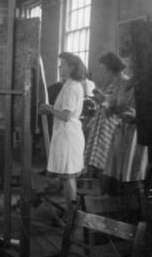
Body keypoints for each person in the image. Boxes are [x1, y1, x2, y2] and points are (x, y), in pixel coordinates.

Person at [39, 52, 87, 212]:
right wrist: (51, 109)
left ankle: (71, 215)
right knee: (67, 176)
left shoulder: (72, 87)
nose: (60, 67)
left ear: (72, 67)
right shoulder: (69, 84)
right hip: (67, 134)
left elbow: (66, 115)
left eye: (63, 64)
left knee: (68, 177)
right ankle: (70, 212)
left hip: (68, 136)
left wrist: (48, 108)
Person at [103, 56, 148, 196]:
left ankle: (133, 203)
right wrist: (108, 105)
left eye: (134, 61)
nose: (131, 64)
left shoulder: (148, 84)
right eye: (130, 61)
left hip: (137, 133)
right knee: (116, 168)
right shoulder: (125, 83)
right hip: (122, 130)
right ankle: (117, 202)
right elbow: (114, 101)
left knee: (132, 170)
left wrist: (137, 115)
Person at [84, 52, 129, 178]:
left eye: (105, 68)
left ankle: (107, 181)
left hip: (112, 121)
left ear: (111, 67)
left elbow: (116, 103)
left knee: (108, 154)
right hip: (103, 118)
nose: (104, 71)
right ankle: (98, 177)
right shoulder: (113, 80)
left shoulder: (123, 81)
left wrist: (102, 98)